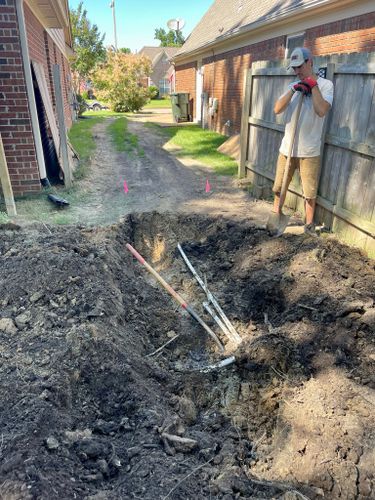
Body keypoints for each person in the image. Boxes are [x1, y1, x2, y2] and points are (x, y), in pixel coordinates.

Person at [272, 47, 334, 235]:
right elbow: (277, 109)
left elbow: (321, 110)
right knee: (279, 187)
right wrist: (293, 90)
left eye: (300, 67)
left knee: (309, 192)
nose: (297, 71)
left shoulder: (325, 85)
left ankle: (309, 225)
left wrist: (312, 86)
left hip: (310, 150)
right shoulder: (293, 85)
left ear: (309, 62)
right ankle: (276, 216)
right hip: (287, 148)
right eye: (294, 68)